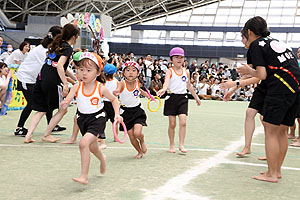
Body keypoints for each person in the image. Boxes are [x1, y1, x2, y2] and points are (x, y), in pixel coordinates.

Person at [237, 16, 300, 183]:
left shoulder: (256, 45)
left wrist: (246, 70)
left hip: (280, 87)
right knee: (282, 131)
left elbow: (261, 75)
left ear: (249, 32)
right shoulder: (276, 41)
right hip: (296, 87)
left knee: (271, 131)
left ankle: (271, 174)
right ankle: (277, 171)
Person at [60, 52, 122, 185]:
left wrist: (117, 114)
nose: (84, 73)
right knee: (93, 148)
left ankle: (84, 176)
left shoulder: (101, 88)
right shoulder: (77, 86)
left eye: (89, 70)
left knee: (83, 144)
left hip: (97, 119)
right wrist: (65, 102)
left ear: (98, 73)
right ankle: (102, 159)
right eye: (81, 69)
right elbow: (69, 98)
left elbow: (114, 100)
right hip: (83, 120)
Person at [24, 23, 79, 143]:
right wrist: (65, 83)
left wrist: (75, 79)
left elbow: (62, 66)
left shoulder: (56, 43)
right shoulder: (68, 48)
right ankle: (47, 134)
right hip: (52, 81)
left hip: (41, 78)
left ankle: (28, 136)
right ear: (74, 36)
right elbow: (59, 66)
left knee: (42, 109)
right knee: (63, 109)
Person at [14, 26, 67, 136]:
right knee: (32, 103)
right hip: (26, 78)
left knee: (47, 102)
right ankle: (19, 128)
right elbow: (49, 68)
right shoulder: (42, 51)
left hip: (35, 79)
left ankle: (51, 126)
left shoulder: (50, 49)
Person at [157, 47, 201, 153]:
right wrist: (163, 89)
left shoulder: (186, 72)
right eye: (176, 57)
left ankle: (181, 145)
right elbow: (166, 83)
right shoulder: (169, 71)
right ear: (171, 59)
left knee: (183, 122)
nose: (179, 59)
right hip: (171, 98)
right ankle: (172, 145)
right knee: (172, 124)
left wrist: (196, 97)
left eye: (181, 57)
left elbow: (189, 86)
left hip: (183, 98)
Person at [114, 61, 150, 159]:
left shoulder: (137, 82)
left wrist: (147, 95)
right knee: (131, 135)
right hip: (125, 112)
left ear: (137, 73)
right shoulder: (122, 83)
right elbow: (118, 88)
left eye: (134, 70)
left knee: (137, 133)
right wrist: (116, 91)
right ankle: (139, 151)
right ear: (123, 72)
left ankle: (142, 140)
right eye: (128, 70)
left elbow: (139, 90)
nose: (131, 72)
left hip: (137, 111)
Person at [99, 63, 119, 148]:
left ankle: (100, 137)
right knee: (115, 121)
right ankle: (116, 137)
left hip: (103, 103)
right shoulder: (117, 82)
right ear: (114, 73)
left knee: (102, 121)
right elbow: (117, 93)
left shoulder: (102, 82)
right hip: (113, 103)